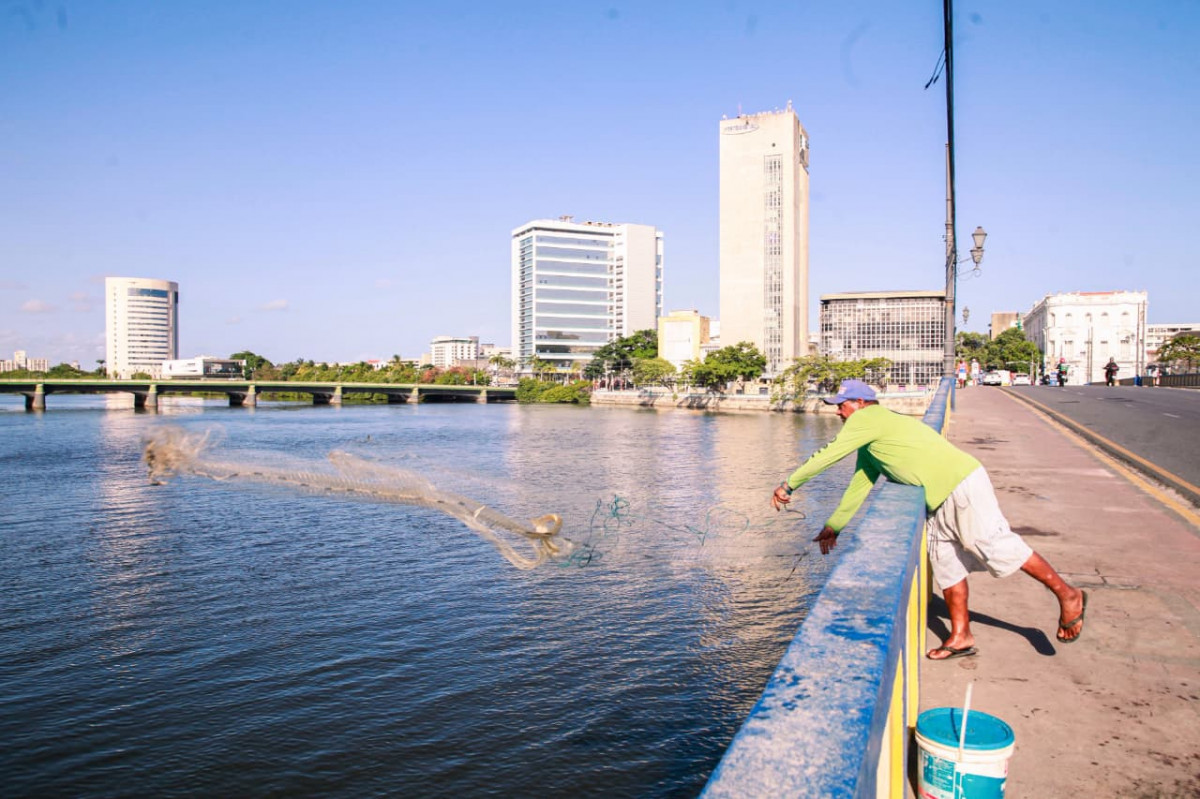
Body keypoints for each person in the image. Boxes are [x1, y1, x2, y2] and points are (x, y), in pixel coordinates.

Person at [770, 379, 1087, 660]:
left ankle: (1067, 594)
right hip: (940, 496)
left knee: (996, 545)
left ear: (861, 403)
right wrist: (835, 526)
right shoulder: (871, 433)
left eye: (842, 405)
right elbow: (862, 481)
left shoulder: (867, 418)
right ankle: (961, 635)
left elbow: (829, 454)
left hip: (959, 484)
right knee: (947, 563)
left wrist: (789, 485)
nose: (838, 412)